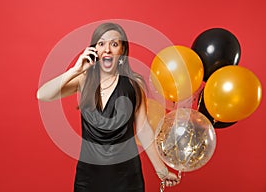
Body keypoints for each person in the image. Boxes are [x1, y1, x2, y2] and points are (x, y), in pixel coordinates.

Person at [37, 22, 180, 191]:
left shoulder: (134, 84)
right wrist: (75, 70)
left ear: (122, 51)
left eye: (114, 44)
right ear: (94, 49)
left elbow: (143, 130)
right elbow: (43, 94)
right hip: (88, 178)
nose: (107, 50)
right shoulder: (84, 80)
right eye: (101, 43)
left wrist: (161, 171)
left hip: (126, 178)